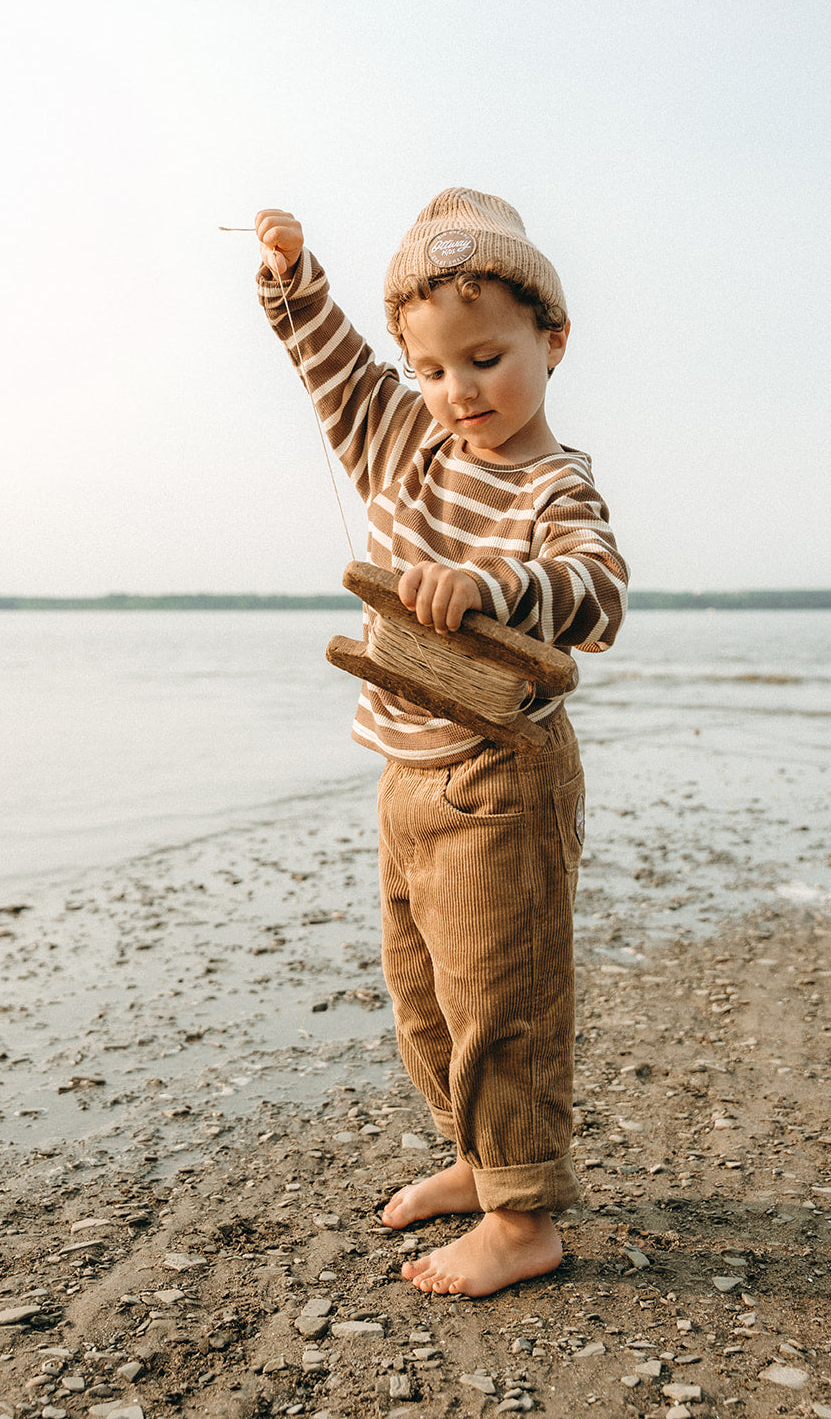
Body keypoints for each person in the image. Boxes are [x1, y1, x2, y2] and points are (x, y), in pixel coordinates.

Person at [254, 189, 627, 1296]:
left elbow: (595, 593)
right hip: (405, 769)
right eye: (430, 369)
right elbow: (330, 364)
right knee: (425, 990)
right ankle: (476, 1159)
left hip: (501, 772)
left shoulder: (554, 484)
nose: (455, 393)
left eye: (484, 359)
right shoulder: (400, 440)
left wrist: (489, 583)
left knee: (500, 992)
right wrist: (292, 276)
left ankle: (523, 1217)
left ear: (550, 340)